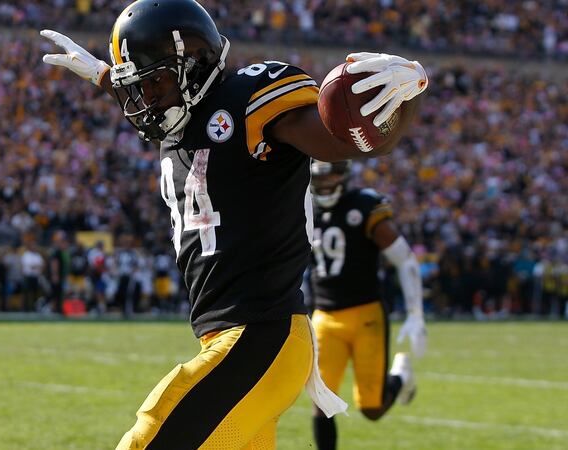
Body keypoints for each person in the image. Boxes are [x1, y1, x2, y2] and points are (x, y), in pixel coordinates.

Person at [42, 0, 427, 447]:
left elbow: (340, 143)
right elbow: (173, 109)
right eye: (137, 88)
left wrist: (405, 102)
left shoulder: (247, 99)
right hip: (233, 339)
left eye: (154, 83)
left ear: (192, 67)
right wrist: (107, 77)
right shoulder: (176, 121)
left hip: (260, 334)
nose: (143, 100)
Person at [307, 160, 427, 450]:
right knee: (321, 402)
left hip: (366, 315)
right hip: (324, 315)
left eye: (329, 177)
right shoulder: (304, 209)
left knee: (372, 409)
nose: (323, 185)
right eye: (318, 179)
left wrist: (416, 313)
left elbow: (405, 259)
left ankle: (400, 376)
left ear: (343, 176)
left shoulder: (363, 206)